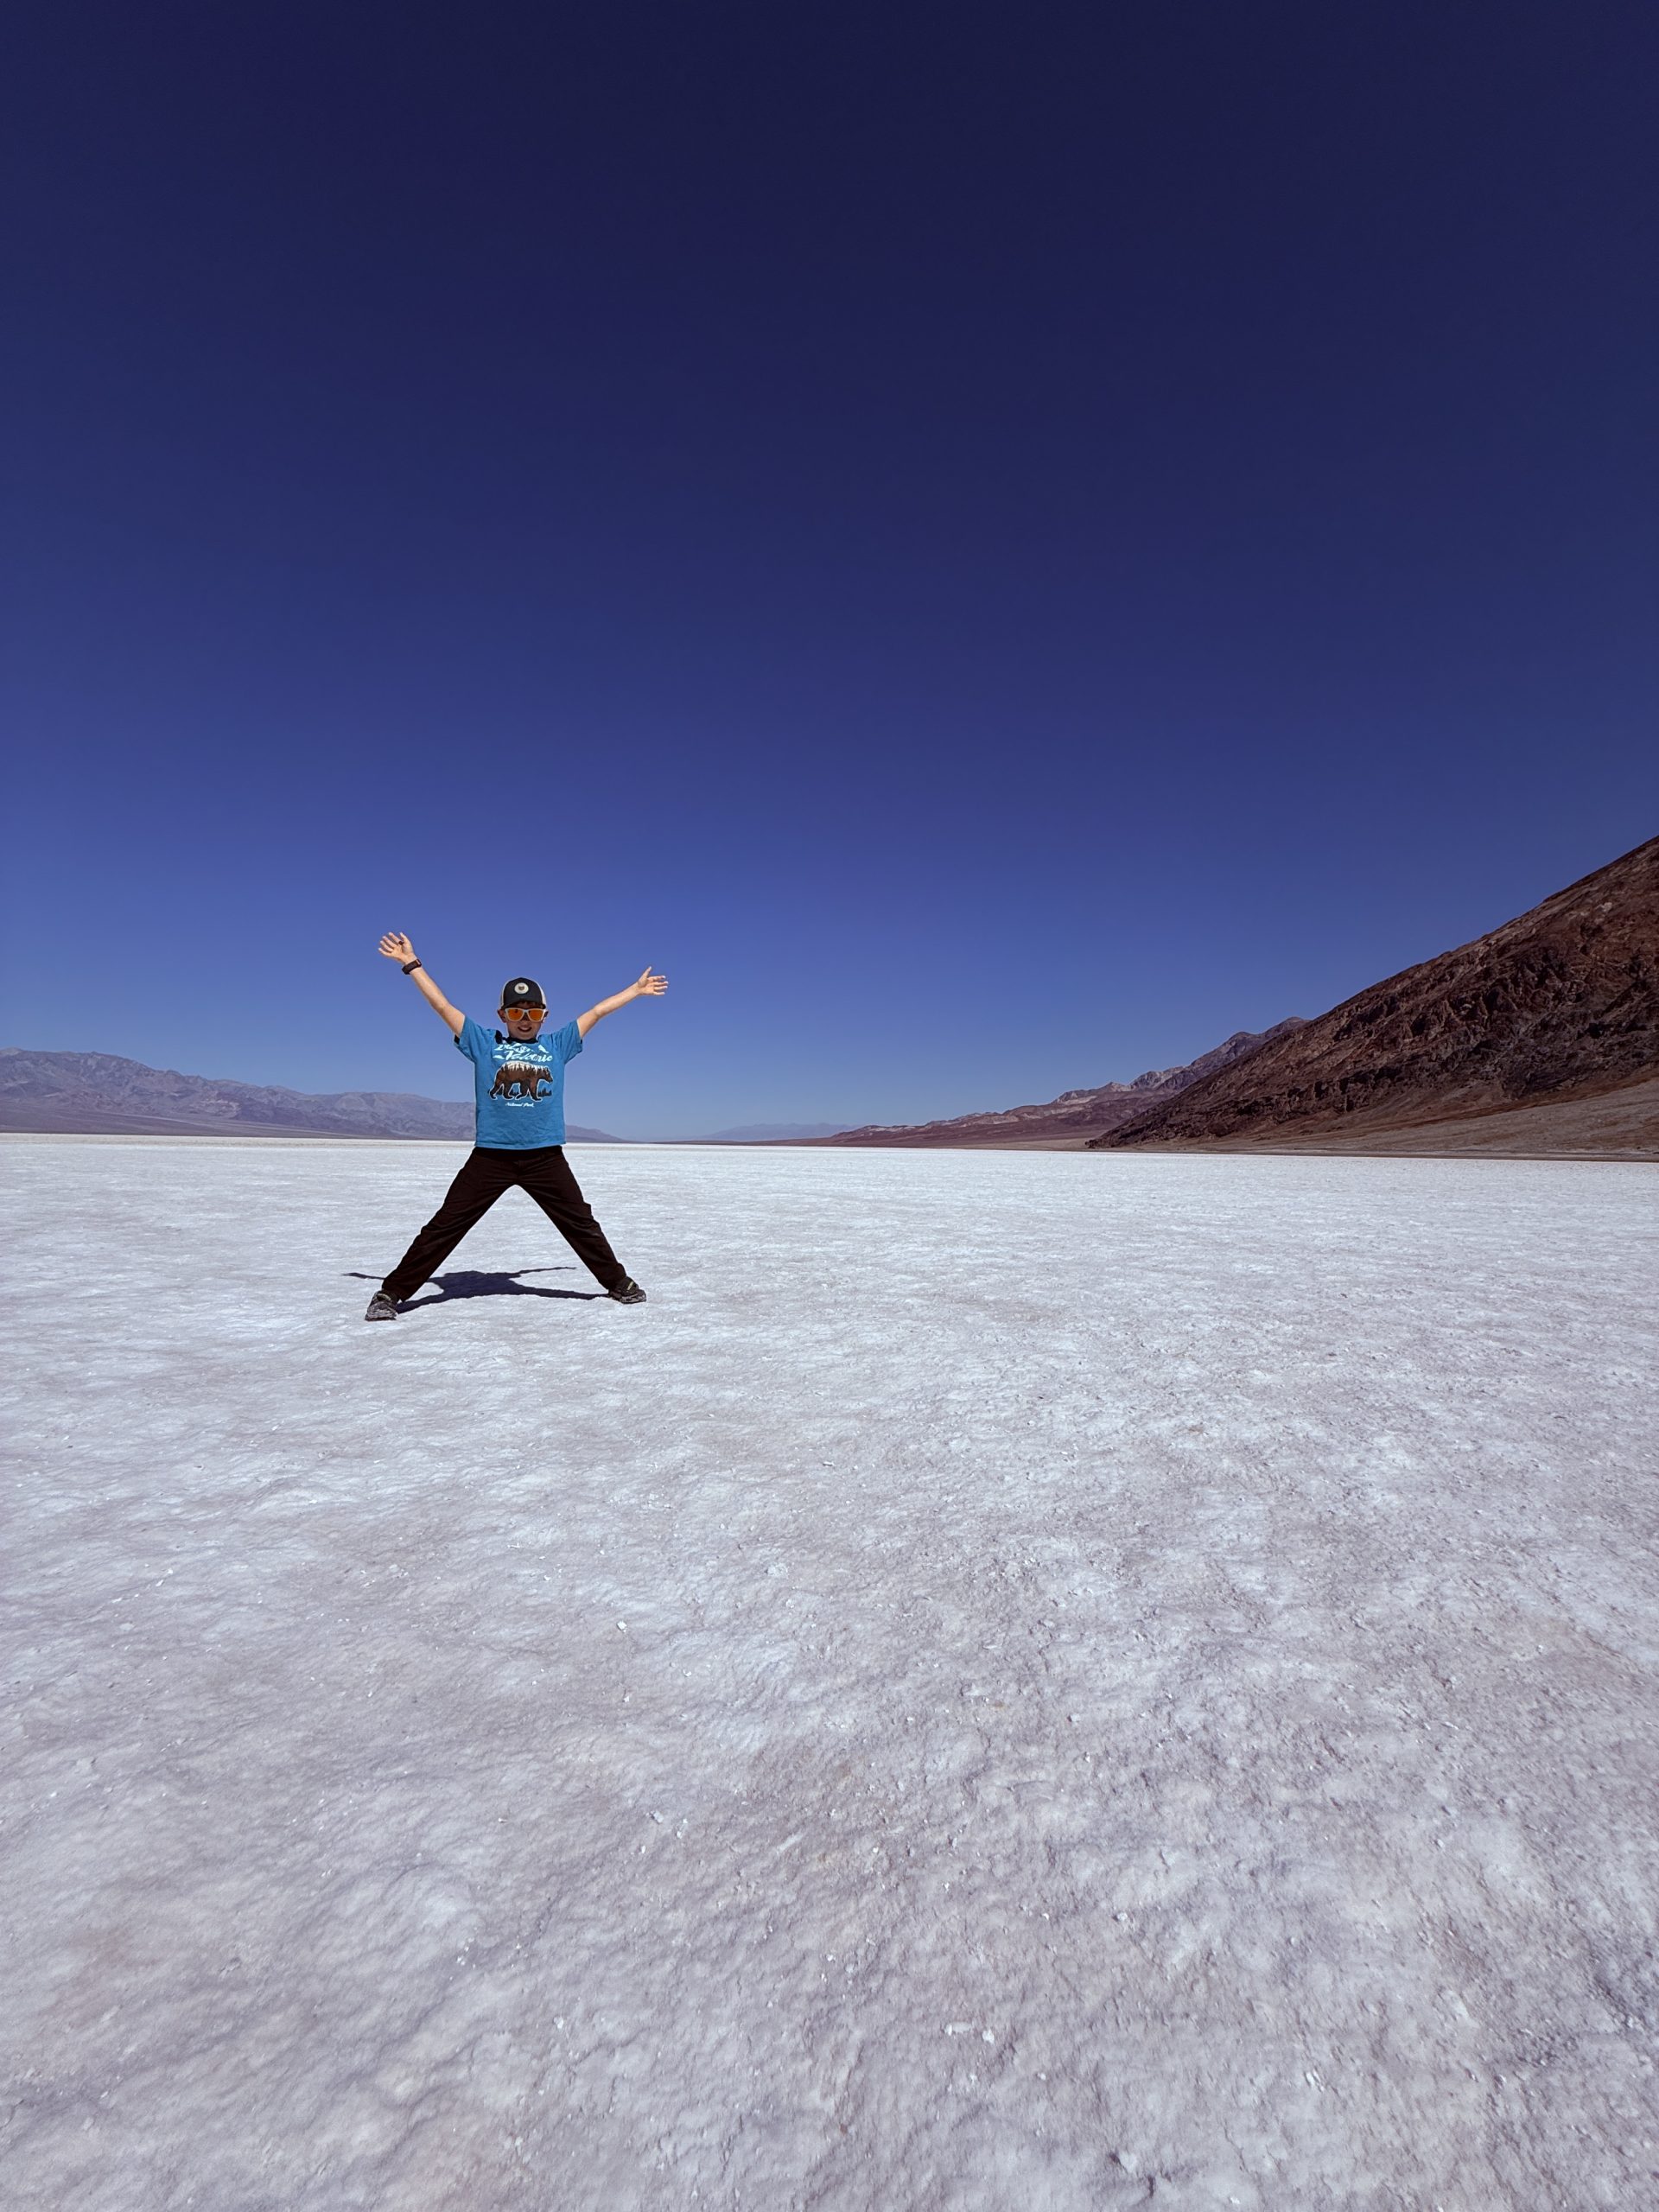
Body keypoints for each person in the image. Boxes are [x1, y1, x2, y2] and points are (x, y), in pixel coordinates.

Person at [364, 932, 666, 1320]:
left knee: (580, 1223)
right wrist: (412, 964)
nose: (525, 1020)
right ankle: (391, 1292)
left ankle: (617, 1282)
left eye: (534, 1012)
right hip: (492, 1156)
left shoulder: (558, 1045)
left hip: (544, 1157)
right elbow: (442, 1006)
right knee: (445, 1226)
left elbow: (597, 1012)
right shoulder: (483, 1042)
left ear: (545, 1015)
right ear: (502, 1016)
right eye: (516, 1012)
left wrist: (635, 991)